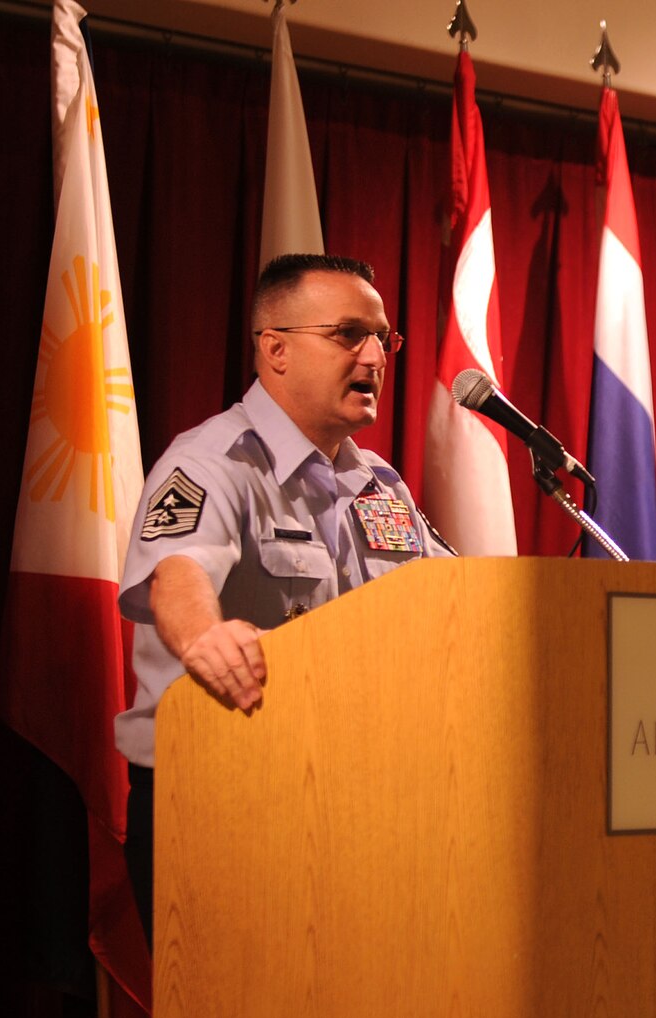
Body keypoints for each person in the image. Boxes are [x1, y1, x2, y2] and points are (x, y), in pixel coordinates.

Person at [114, 254, 455, 942]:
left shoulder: (380, 484)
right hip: (221, 798)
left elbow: (457, 599)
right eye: (348, 335)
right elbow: (176, 571)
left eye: (383, 339)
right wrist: (205, 638)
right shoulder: (211, 461)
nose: (373, 356)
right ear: (275, 351)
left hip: (352, 797)